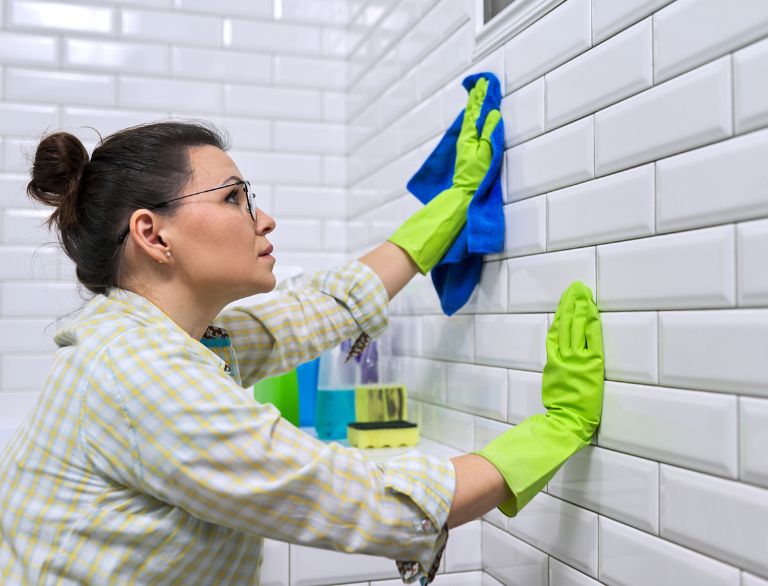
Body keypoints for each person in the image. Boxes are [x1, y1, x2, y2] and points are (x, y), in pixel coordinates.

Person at [0, 81, 604, 585]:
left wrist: (449, 209)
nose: (263, 217)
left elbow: (315, 310)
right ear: (153, 235)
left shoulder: (175, 338)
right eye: (235, 197)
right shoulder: (143, 375)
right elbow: (362, 500)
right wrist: (552, 433)